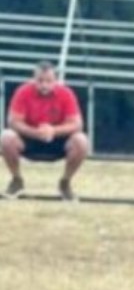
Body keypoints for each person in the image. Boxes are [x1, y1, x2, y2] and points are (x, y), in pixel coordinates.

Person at [1, 61, 89, 200]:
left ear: (56, 81)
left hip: (58, 140)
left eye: (48, 81)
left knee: (81, 141)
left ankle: (65, 183)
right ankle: (16, 180)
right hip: (28, 138)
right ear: (33, 79)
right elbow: (13, 122)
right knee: (6, 137)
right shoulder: (23, 92)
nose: (44, 85)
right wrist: (35, 132)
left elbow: (77, 124)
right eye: (40, 80)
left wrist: (53, 130)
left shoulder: (66, 94)